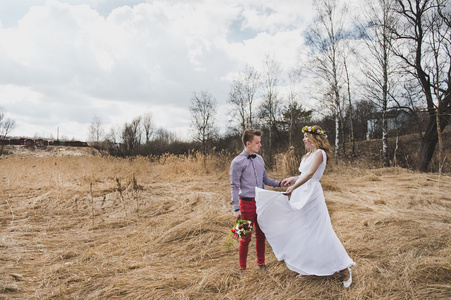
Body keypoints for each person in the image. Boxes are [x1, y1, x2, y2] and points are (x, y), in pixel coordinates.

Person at [255, 125, 355, 288]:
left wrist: (294, 187)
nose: (303, 139)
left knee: (320, 231)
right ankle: (308, 267)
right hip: (302, 191)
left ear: (314, 138)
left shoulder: (320, 154)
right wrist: (293, 179)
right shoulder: (308, 155)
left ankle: (344, 269)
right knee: (304, 229)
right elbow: (303, 175)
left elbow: (310, 176)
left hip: (312, 193)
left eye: (306, 136)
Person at [230, 129, 287, 272]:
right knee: (244, 237)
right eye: (257, 142)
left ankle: (261, 264)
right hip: (245, 204)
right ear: (248, 143)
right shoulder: (237, 162)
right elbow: (234, 186)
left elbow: (265, 179)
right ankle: (242, 268)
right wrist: (236, 209)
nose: (259, 145)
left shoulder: (260, 159)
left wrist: (280, 183)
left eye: (260, 142)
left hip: (262, 203)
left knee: (261, 235)